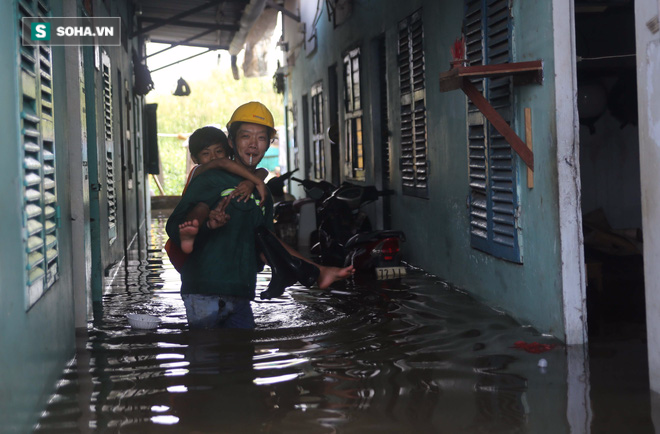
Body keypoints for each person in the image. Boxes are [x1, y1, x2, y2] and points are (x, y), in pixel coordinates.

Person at [166, 101, 354, 329]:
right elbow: (174, 227)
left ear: (268, 144)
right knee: (207, 359)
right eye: (246, 136)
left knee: (244, 360)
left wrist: (316, 270)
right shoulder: (211, 177)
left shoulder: (261, 192)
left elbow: (268, 243)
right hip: (204, 291)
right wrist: (206, 227)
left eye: (261, 138)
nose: (253, 144)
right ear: (231, 141)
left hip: (242, 292)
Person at [164, 126, 268, 271]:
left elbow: (261, 170)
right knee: (202, 207)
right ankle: (190, 230)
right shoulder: (199, 170)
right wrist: (256, 181)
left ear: (228, 152)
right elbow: (222, 163)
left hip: (210, 248)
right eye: (206, 153)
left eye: (219, 151)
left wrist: (256, 178)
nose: (213, 157)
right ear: (195, 159)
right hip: (183, 246)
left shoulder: (225, 179)